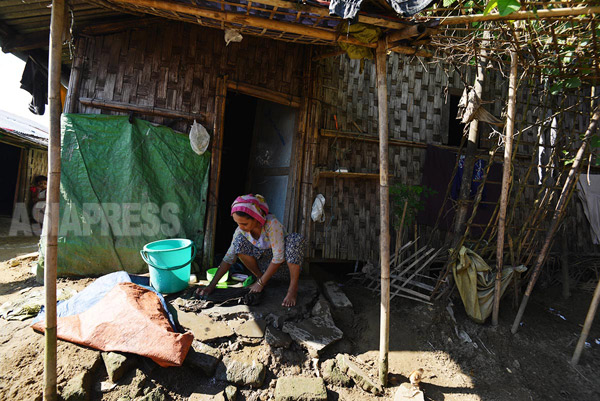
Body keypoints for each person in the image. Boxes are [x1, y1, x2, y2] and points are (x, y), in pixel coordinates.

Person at [197, 194, 305, 307]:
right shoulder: (241, 231)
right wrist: (211, 286)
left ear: (257, 217)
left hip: (284, 269)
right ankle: (261, 278)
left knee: (295, 240)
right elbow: (229, 258)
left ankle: (293, 288)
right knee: (238, 241)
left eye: (244, 223)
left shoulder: (272, 224)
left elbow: (278, 258)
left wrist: (260, 283)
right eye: (237, 223)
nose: (240, 227)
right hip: (263, 269)